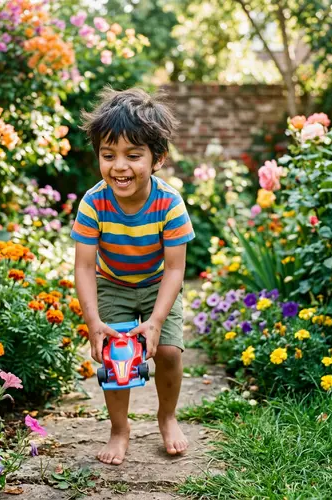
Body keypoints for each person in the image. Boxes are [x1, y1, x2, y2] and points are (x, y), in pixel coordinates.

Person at [71, 87, 195, 465]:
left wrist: (157, 321)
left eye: (133, 155)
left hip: (158, 283)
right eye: (108, 156)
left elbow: (175, 268)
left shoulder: (169, 204)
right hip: (114, 284)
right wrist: (93, 322)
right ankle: (119, 429)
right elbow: (84, 266)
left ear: (158, 159)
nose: (119, 166)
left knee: (170, 353)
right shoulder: (94, 203)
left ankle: (167, 416)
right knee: (115, 359)